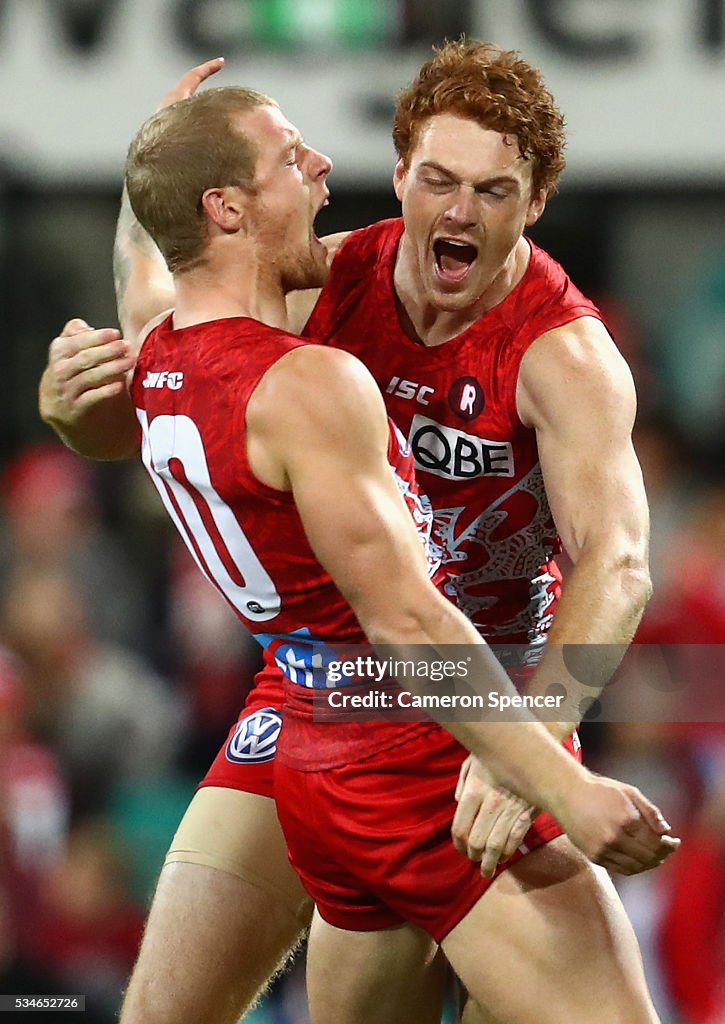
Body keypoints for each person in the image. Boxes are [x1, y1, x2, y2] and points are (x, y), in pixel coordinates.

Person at [39, 47, 673, 1024]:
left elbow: (618, 565)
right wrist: (75, 412)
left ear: (536, 199)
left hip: (482, 693)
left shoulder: (563, 353)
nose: (457, 213)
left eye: (492, 190)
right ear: (399, 175)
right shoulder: (318, 284)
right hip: (333, 682)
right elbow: (149, 420)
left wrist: (534, 740)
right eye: (437, 181)